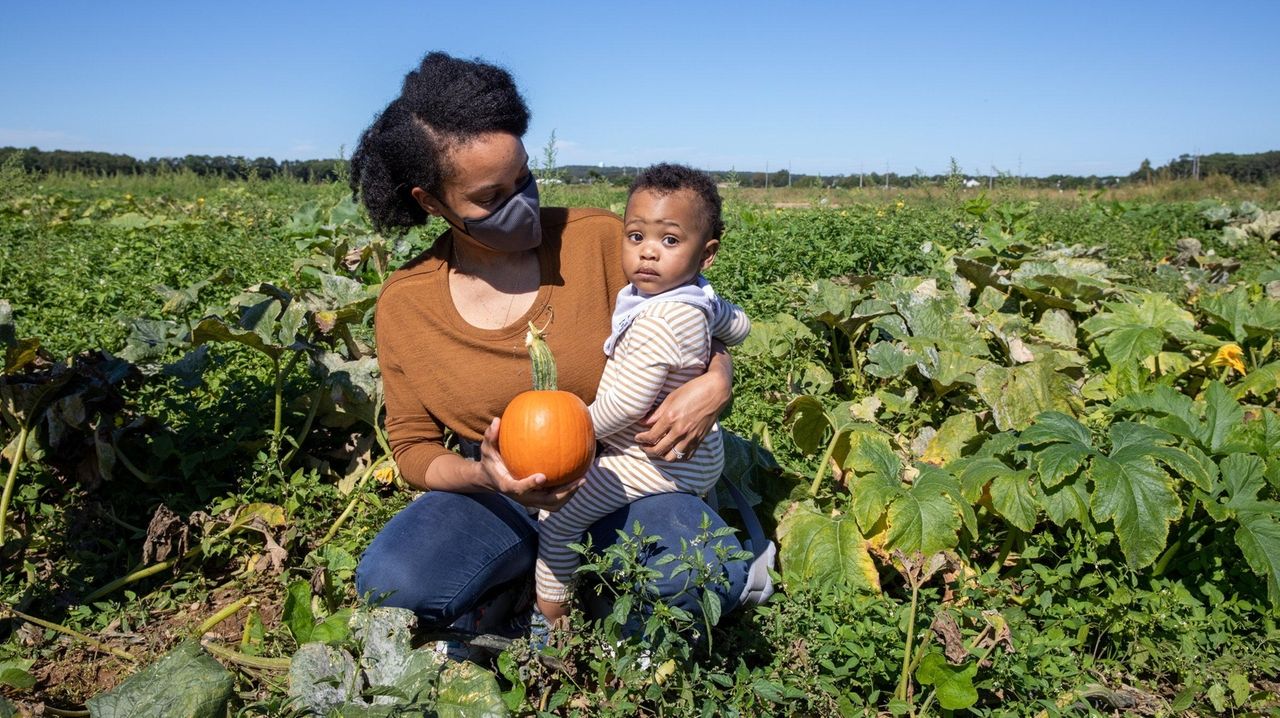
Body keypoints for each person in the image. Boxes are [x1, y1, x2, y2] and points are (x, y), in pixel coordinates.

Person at [349, 52, 749, 637]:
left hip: (624, 474)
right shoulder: (407, 305)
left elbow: (690, 315)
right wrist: (488, 478)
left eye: (524, 178)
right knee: (393, 586)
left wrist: (718, 377)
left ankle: (584, 618)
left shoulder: (598, 241)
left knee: (706, 572)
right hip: (503, 493)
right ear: (431, 202)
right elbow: (411, 447)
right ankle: (533, 579)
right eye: (491, 198)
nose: (522, 202)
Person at [535, 164, 750, 625]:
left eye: (670, 241)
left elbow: (629, 405)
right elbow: (739, 324)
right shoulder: (698, 297)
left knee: (558, 517)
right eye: (636, 236)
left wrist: (570, 432)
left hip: (651, 456)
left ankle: (553, 617)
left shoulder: (659, 320)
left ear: (707, 253)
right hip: (695, 451)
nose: (648, 253)